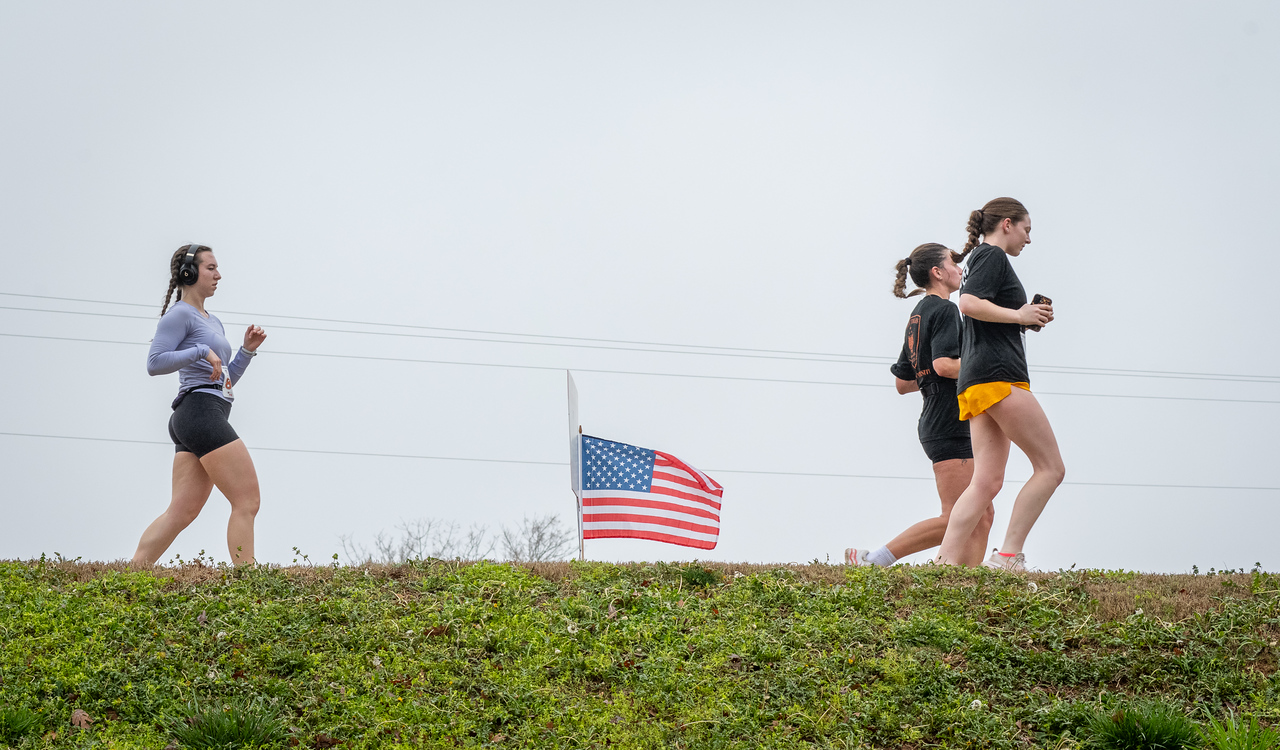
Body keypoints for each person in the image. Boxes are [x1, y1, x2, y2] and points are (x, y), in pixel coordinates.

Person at [935, 198, 1065, 572]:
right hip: (999, 377)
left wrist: (1025, 320)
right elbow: (969, 303)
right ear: (1007, 224)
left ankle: (943, 563)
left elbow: (981, 308)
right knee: (1051, 468)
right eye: (1027, 230)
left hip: (976, 381)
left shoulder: (977, 258)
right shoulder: (992, 256)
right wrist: (1020, 313)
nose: (1028, 239)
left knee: (986, 481)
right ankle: (1008, 556)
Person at [846, 244, 993, 567]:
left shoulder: (918, 315)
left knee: (981, 514)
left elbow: (904, 382)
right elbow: (944, 365)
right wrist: (987, 368)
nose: (960, 269)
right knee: (959, 516)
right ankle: (873, 560)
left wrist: (931, 375)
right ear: (937, 273)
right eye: (954, 263)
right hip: (949, 422)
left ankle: (963, 581)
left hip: (938, 418)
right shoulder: (945, 310)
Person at [131, 244, 267, 567]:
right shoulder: (180, 314)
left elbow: (223, 378)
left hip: (202, 412)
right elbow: (154, 362)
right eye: (211, 268)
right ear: (189, 273)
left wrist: (246, 352)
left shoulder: (212, 321)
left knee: (182, 510)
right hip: (199, 412)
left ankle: (131, 573)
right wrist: (198, 352)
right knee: (247, 500)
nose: (218, 275)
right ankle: (248, 580)